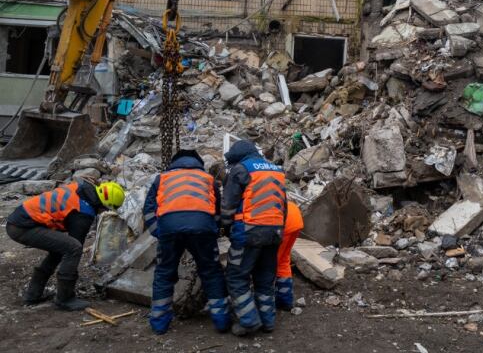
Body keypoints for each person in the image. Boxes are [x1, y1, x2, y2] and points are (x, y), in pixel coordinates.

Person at [143, 149, 230, 335]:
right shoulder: (208, 179)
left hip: (169, 227)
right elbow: (217, 211)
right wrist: (212, 231)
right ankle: (222, 321)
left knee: (164, 273)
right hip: (202, 227)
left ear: (174, 162)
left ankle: (159, 324)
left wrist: (157, 231)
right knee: (211, 271)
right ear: (198, 162)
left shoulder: (162, 178)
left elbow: (149, 208)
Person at [6, 180, 125, 310]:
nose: (102, 212)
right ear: (104, 204)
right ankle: (65, 298)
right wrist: (72, 275)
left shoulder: (81, 187)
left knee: (62, 247)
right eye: (105, 209)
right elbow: (76, 245)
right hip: (23, 227)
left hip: (20, 219)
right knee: (73, 248)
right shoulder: (84, 212)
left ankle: (33, 294)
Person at [222, 139, 288, 336]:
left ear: (238, 158)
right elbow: (282, 204)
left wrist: (224, 227)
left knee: (236, 277)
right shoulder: (276, 170)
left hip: (248, 232)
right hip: (275, 232)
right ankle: (268, 322)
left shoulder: (241, 169)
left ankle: (249, 321)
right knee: (265, 279)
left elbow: (228, 207)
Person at [275, 201, 304, 311]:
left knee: (272, 263)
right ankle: (286, 300)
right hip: (294, 215)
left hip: (284, 222)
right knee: (283, 260)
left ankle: (274, 300)